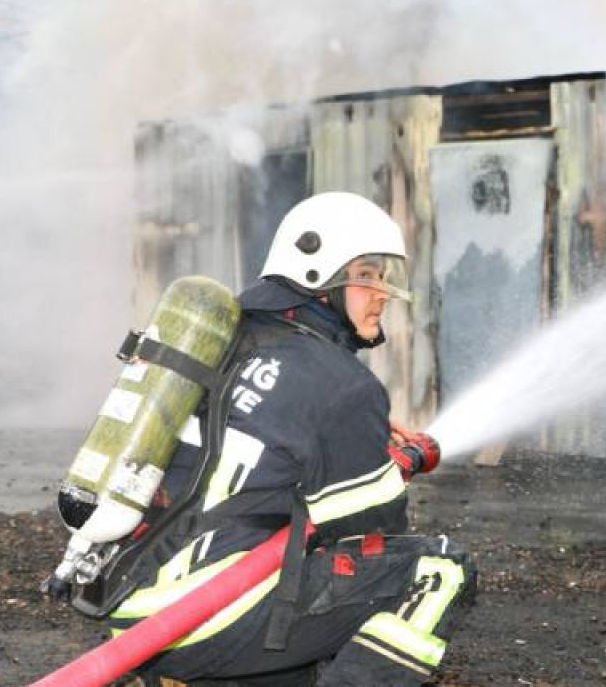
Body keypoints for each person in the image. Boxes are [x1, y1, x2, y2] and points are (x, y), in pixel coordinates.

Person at [115, 191, 475, 685]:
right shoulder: (340, 381)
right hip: (206, 618)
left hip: (131, 613)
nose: (383, 293)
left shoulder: (219, 339)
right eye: (367, 275)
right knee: (438, 572)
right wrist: (368, 451)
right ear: (319, 276)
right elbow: (375, 526)